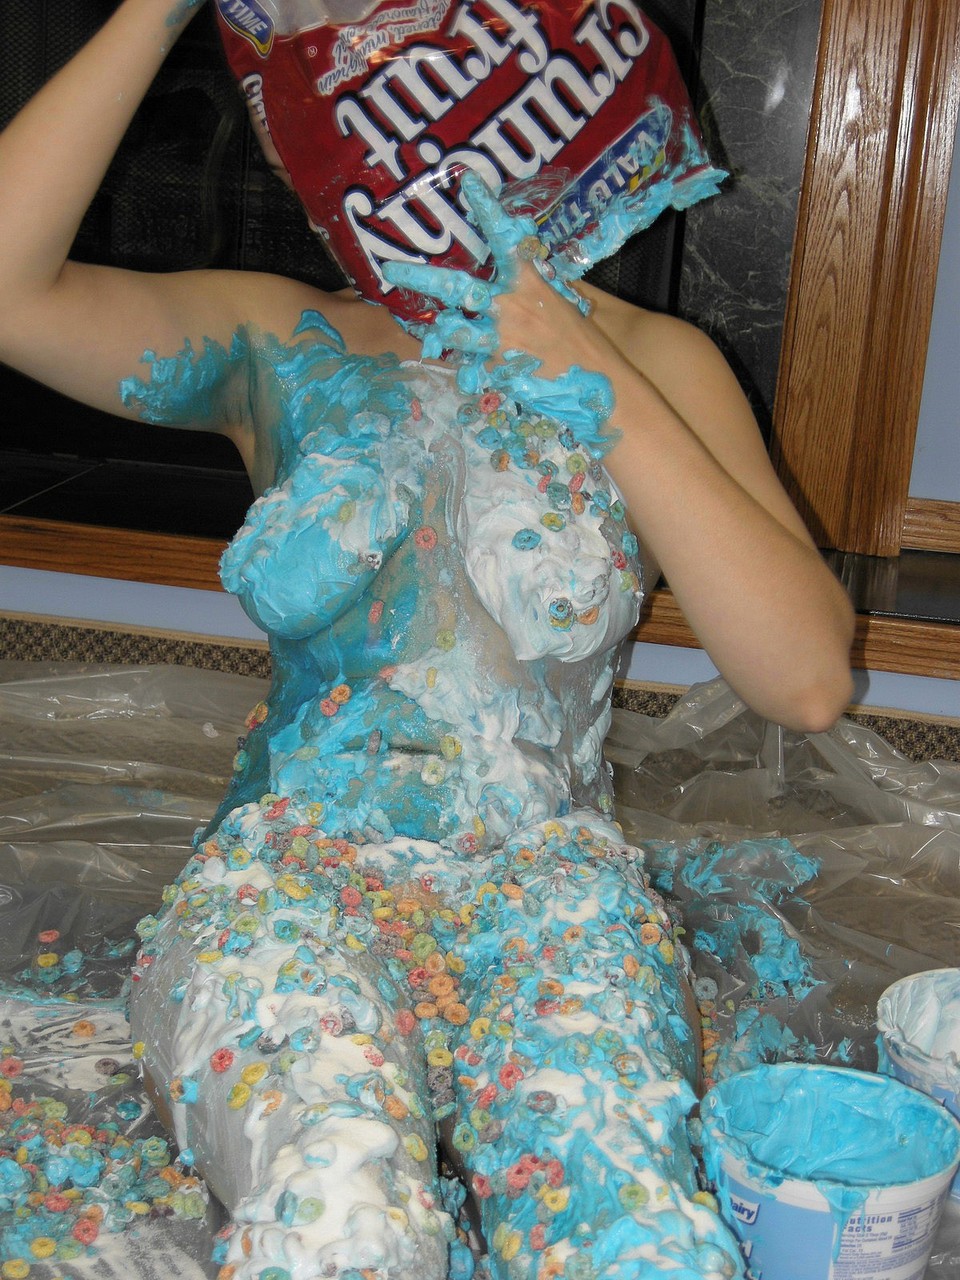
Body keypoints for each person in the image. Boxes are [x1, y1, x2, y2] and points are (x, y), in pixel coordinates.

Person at [0, 1, 855, 1277]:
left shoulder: (662, 362)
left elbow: (808, 679)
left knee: (629, 1226)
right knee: (339, 1201)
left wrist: (583, 364)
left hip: (552, 891)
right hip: (290, 882)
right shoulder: (281, 344)